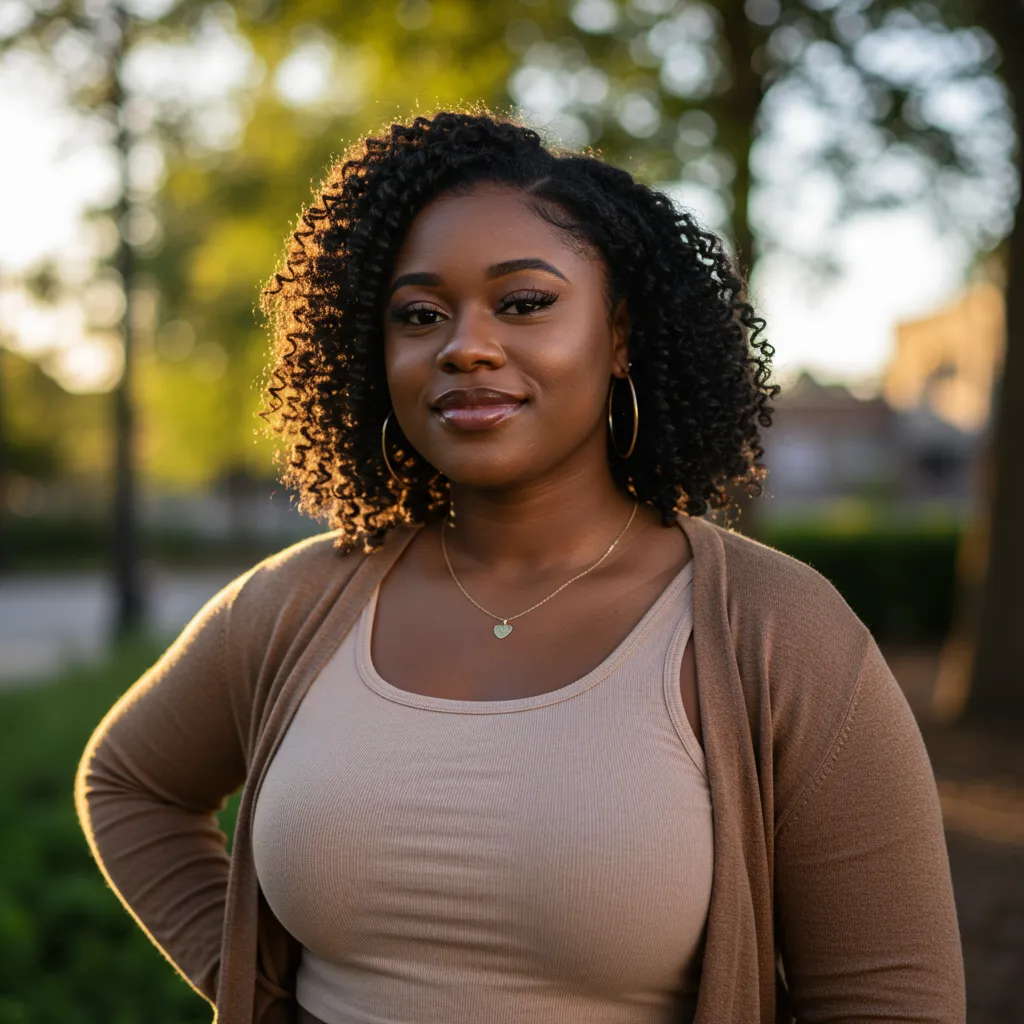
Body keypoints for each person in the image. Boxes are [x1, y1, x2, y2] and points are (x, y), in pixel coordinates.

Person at [75, 110, 964, 1024]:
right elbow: (129, 785)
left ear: (620, 334)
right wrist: (257, 995)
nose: (464, 344)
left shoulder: (778, 633)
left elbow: (889, 998)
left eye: (524, 302)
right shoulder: (296, 603)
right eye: (419, 315)